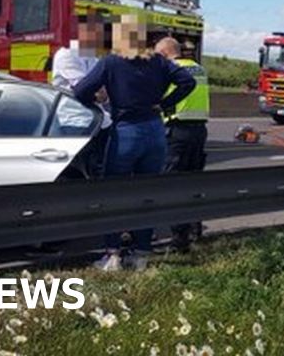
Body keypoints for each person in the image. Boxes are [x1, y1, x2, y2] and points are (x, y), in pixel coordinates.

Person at [74, 43, 196, 272]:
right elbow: (188, 82)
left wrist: (98, 101)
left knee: (114, 192)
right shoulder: (159, 62)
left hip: (127, 131)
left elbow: (81, 91)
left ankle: (113, 256)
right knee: (147, 194)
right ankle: (141, 255)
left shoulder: (111, 62)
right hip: (155, 131)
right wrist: (163, 104)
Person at [155, 37, 209, 252]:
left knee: (173, 183)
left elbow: (158, 98)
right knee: (193, 181)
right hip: (199, 131)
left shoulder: (169, 70)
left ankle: (179, 238)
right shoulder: (199, 69)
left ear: (166, 52)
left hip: (177, 132)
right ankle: (195, 227)